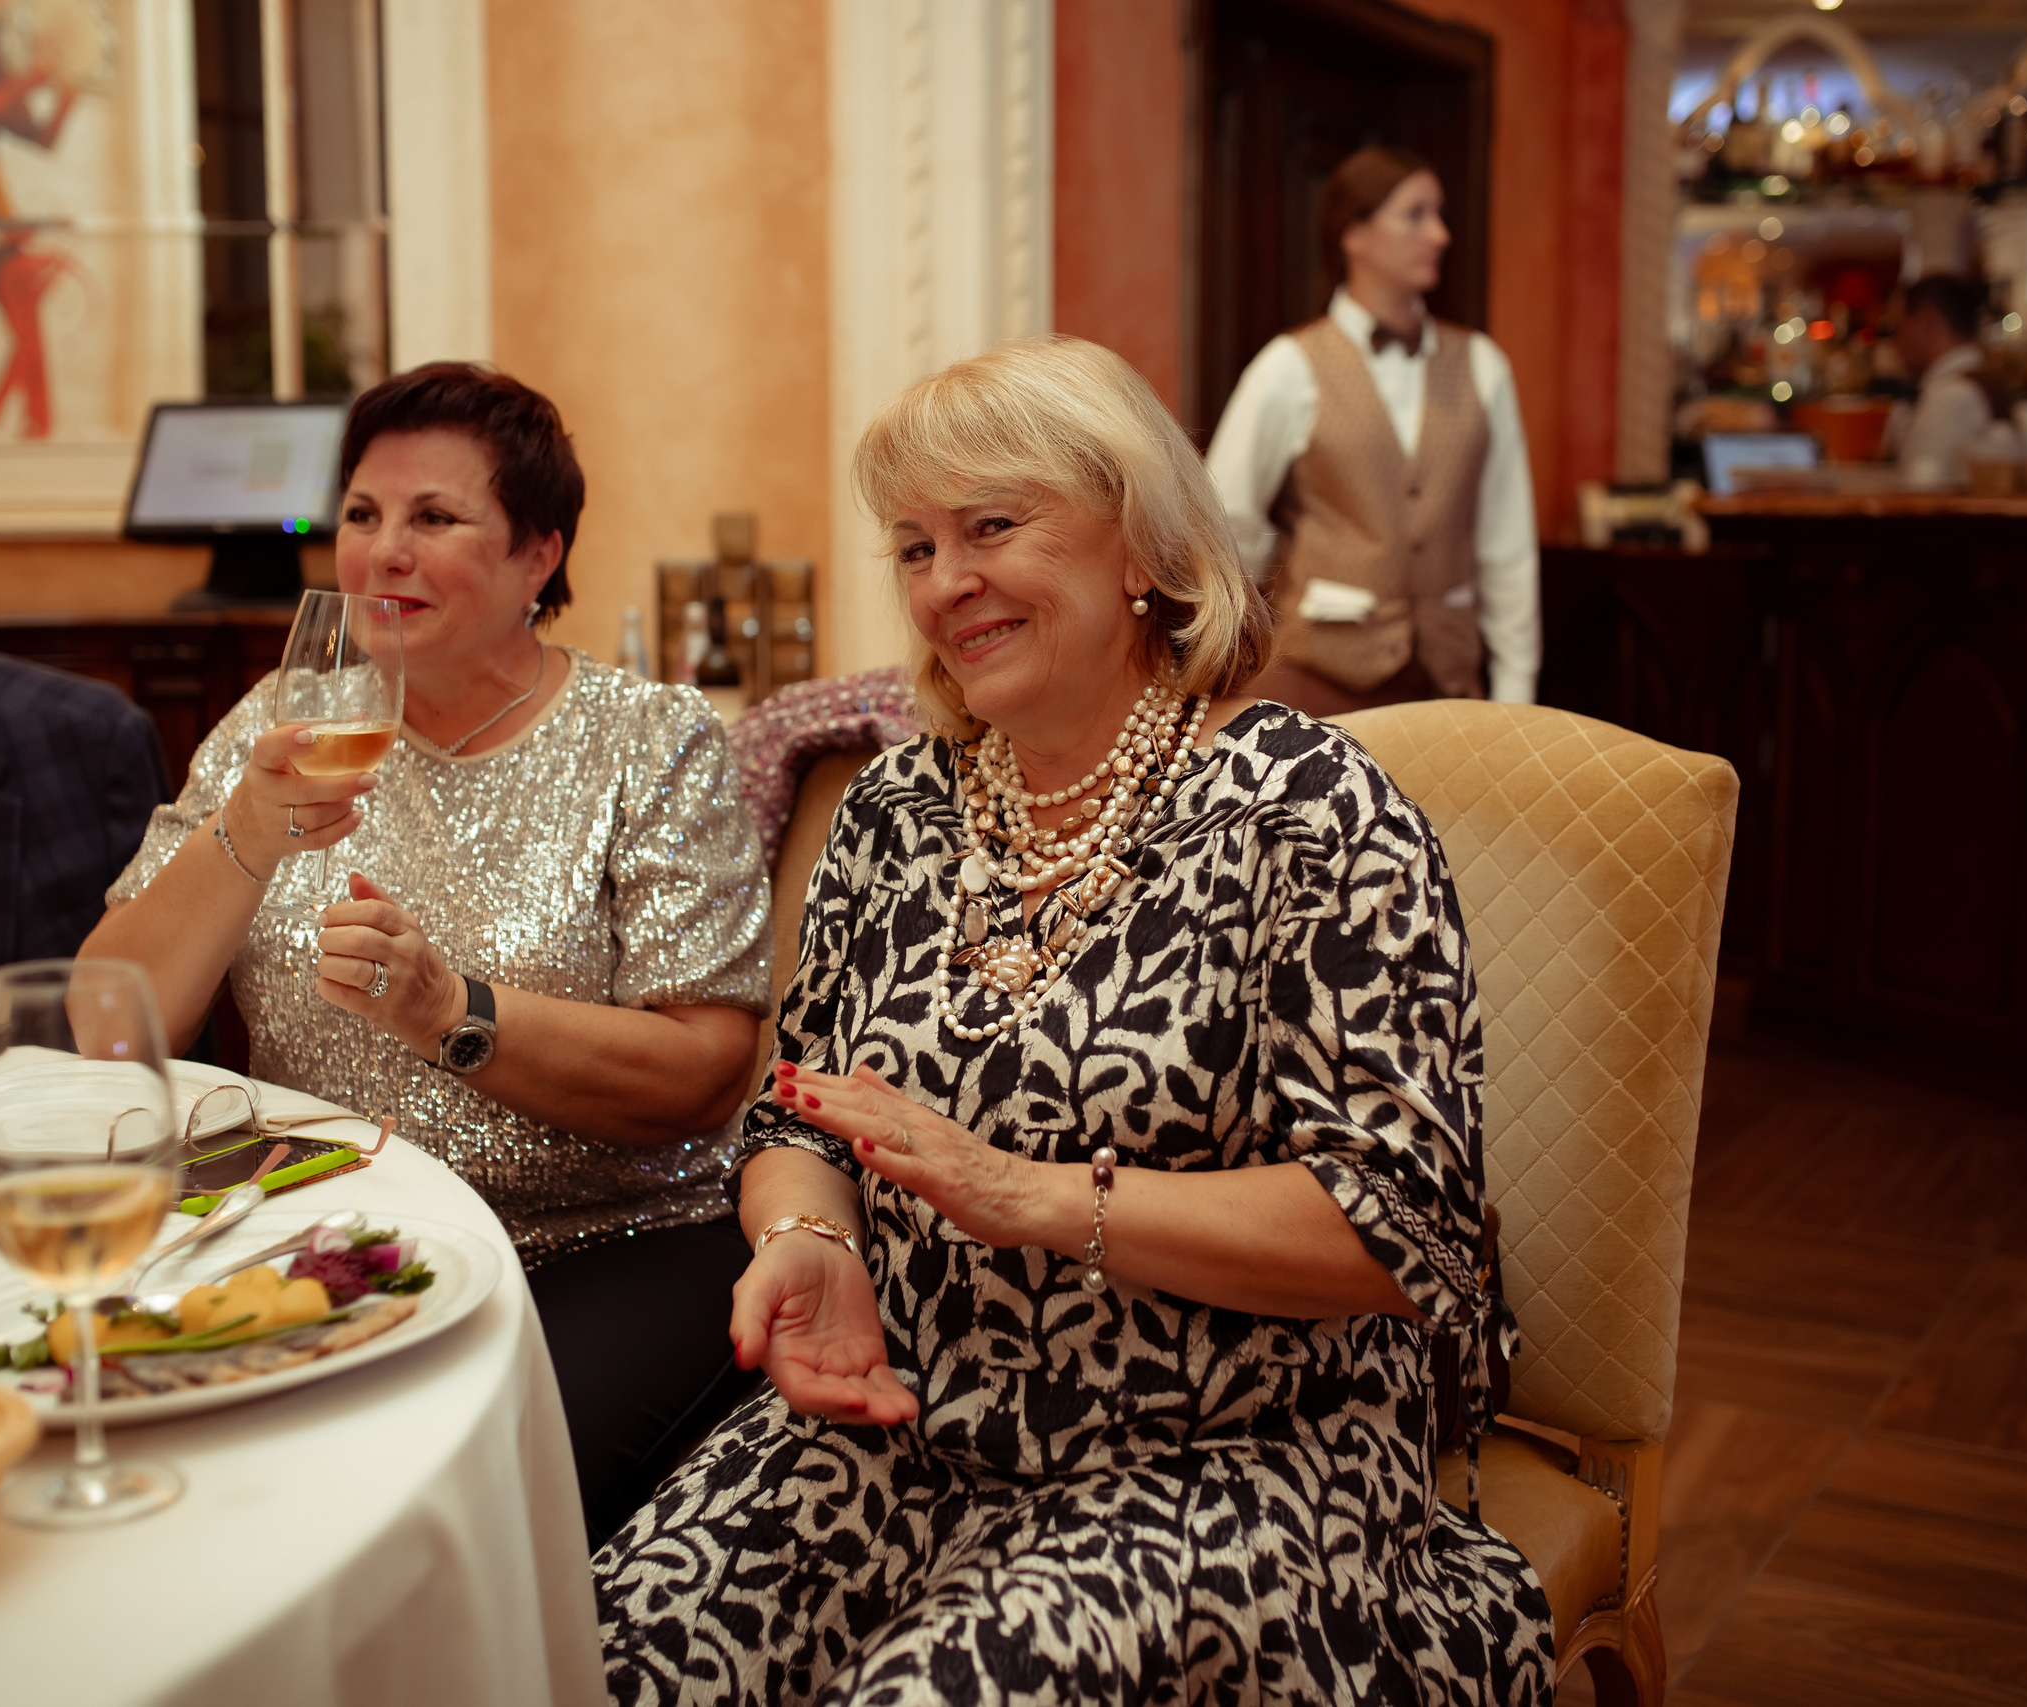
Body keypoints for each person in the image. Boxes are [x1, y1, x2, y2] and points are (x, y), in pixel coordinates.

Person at [597, 336, 1551, 1703]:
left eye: (993, 526)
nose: (946, 582)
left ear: (1144, 551)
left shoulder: (1308, 806)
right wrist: (808, 1233)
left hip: (1238, 1443)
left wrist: (1025, 1194)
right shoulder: (892, 813)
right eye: (915, 546)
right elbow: (790, 1113)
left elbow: (1402, 1225)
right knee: (604, 1645)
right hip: (912, 1417)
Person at [84, 362, 773, 1541]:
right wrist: (241, 838)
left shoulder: (648, 740)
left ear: (536, 557)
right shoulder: (280, 722)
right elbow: (106, 1027)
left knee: (410, 1507)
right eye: (361, 515)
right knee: (155, 1462)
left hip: (596, 1244)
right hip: (324, 1233)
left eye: (434, 519)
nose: (382, 552)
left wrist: (452, 1009)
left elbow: (704, 1074)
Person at [1206, 145, 1540, 716]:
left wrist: (1515, 698)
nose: (1439, 234)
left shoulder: (1484, 366)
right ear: (1353, 233)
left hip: (1449, 689)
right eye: (1415, 214)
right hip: (1317, 686)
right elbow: (1225, 529)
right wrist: (1223, 669)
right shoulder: (1289, 367)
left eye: (1440, 214)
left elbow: (1506, 547)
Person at [1888, 274, 2001, 487]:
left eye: (1899, 330)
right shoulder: (1983, 382)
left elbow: (1919, 500)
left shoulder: (1950, 397)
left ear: (1928, 320)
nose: (1896, 346)